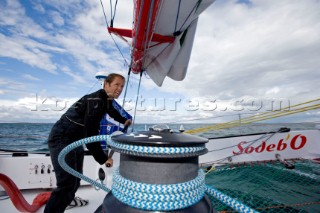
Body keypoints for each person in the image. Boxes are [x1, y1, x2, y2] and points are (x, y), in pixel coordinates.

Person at [44, 73, 131, 213]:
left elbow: (111, 111)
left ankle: (64, 202)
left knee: (75, 180)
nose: (120, 89)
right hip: (62, 138)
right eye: (116, 85)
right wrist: (103, 158)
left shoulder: (105, 99)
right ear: (106, 84)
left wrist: (123, 120)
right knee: (66, 184)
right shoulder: (96, 100)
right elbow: (90, 134)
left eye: (122, 86)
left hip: (75, 139)